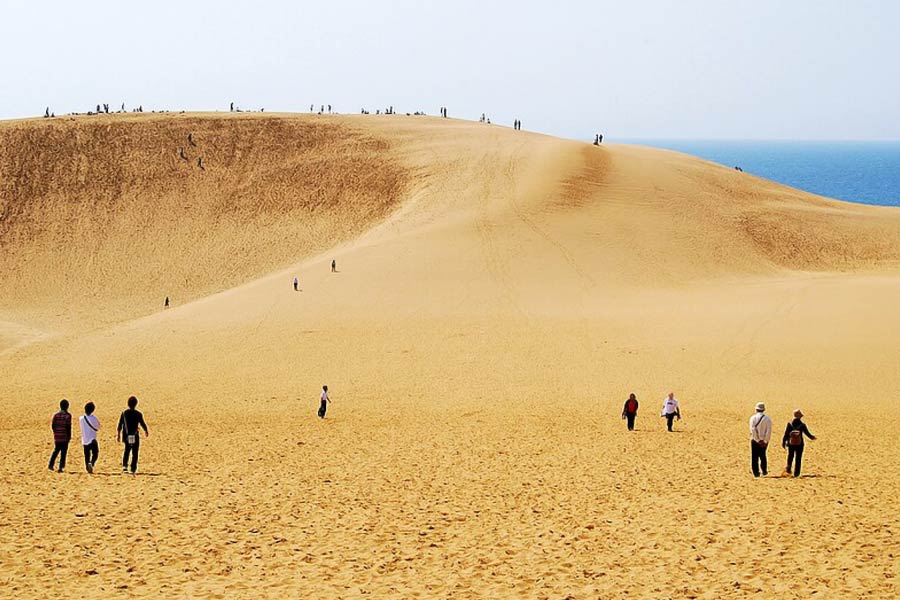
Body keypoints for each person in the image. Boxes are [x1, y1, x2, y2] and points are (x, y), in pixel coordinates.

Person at [117, 396, 149, 474]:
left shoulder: (124, 413)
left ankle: (125, 466)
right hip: (135, 435)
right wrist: (146, 430)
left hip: (126, 435)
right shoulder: (138, 414)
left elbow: (120, 424)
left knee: (127, 450)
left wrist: (118, 434)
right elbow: (142, 423)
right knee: (135, 452)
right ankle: (133, 468)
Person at [782, 409, 816, 477]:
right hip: (800, 444)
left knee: (790, 456)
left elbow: (786, 434)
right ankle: (796, 473)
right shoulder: (802, 425)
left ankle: (788, 469)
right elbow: (807, 434)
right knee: (798, 458)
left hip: (791, 444)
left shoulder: (789, 424)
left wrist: (783, 442)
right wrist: (813, 437)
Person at [749, 402, 772, 477]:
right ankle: (764, 470)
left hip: (755, 440)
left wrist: (757, 440)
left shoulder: (753, 418)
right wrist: (765, 441)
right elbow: (768, 431)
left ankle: (756, 472)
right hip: (764, 440)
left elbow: (752, 429)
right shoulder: (767, 419)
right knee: (763, 455)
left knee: (754, 457)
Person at [48, 399, 72, 473]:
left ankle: (50, 464)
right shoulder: (68, 416)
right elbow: (68, 427)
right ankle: (61, 467)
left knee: (56, 450)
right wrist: (69, 436)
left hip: (57, 436)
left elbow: (53, 425)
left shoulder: (56, 415)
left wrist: (56, 432)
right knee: (63, 452)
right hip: (64, 436)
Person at [80, 402, 101, 473]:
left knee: (86, 455)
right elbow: (98, 427)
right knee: (95, 453)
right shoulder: (94, 418)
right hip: (92, 438)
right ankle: (91, 463)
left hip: (84, 439)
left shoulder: (81, 418)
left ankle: (87, 467)